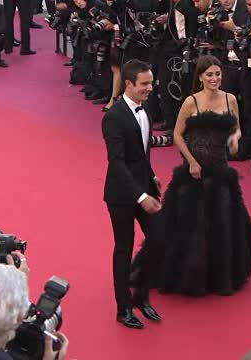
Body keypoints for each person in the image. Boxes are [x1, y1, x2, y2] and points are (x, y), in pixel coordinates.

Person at [135, 55, 251, 297]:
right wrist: (191, 162)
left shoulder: (230, 99)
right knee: (189, 226)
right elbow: (178, 135)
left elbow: (236, 127)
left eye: (218, 74)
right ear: (200, 77)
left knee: (222, 222)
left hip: (221, 170)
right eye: (209, 75)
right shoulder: (192, 102)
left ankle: (219, 276)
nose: (214, 79)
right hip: (194, 171)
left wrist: (235, 138)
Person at [101, 59, 164, 330]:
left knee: (159, 241)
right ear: (128, 84)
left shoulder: (145, 109)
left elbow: (141, 152)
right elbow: (117, 162)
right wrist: (140, 195)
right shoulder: (113, 117)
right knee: (124, 249)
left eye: (151, 82)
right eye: (145, 84)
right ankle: (123, 308)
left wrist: (151, 177)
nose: (150, 88)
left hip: (144, 187)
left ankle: (142, 296)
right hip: (121, 194)